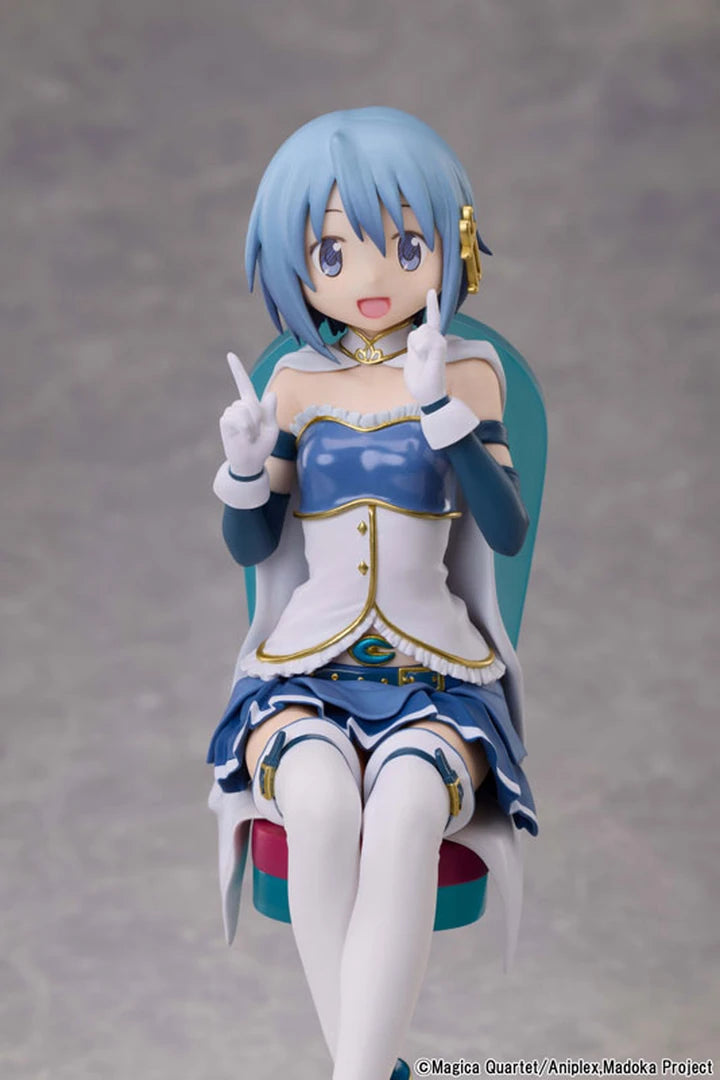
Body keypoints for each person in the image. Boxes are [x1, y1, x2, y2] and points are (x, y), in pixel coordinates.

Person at [207, 107, 538, 1080]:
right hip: (301, 674)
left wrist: (441, 412)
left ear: (450, 246)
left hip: (438, 677)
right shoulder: (293, 387)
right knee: (315, 806)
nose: (373, 275)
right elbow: (254, 545)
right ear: (298, 265)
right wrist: (243, 469)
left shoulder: (469, 373)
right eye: (333, 252)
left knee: (402, 813)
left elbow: (506, 530)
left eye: (405, 243)